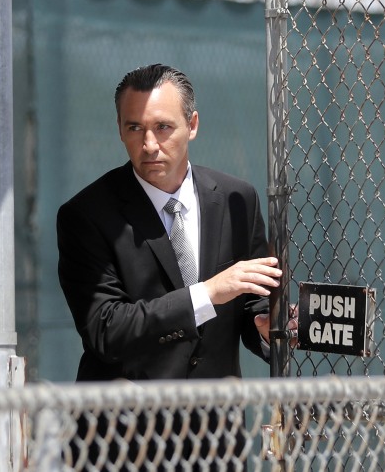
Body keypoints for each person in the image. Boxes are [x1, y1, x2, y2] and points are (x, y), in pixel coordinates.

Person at [56, 63, 282, 467]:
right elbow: (106, 329)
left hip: (216, 442)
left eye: (163, 127)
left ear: (192, 125)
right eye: (134, 129)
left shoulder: (236, 199)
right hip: (123, 445)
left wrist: (266, 327)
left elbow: (249, 305)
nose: (148, 145)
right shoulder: (87, 215)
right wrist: (209, 292)